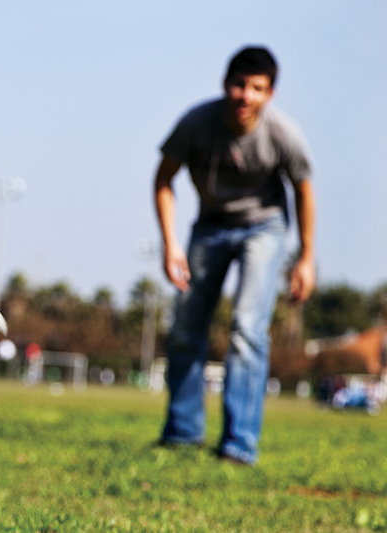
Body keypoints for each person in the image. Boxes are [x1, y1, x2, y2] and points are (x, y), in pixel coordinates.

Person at [153, 46, 316, 465]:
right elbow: (164, 179)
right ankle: (183, 432)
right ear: (226, 84)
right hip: (209, 225)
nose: (246, 96)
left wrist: (306, 257)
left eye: (257, 88)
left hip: (264, 227)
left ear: (270, 93)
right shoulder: (196, 123)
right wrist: (170, 243)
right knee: (187, 326)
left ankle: (239, 443)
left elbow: (303, 190)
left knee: (247, 328)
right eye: (240, 85)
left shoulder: (282, 133)